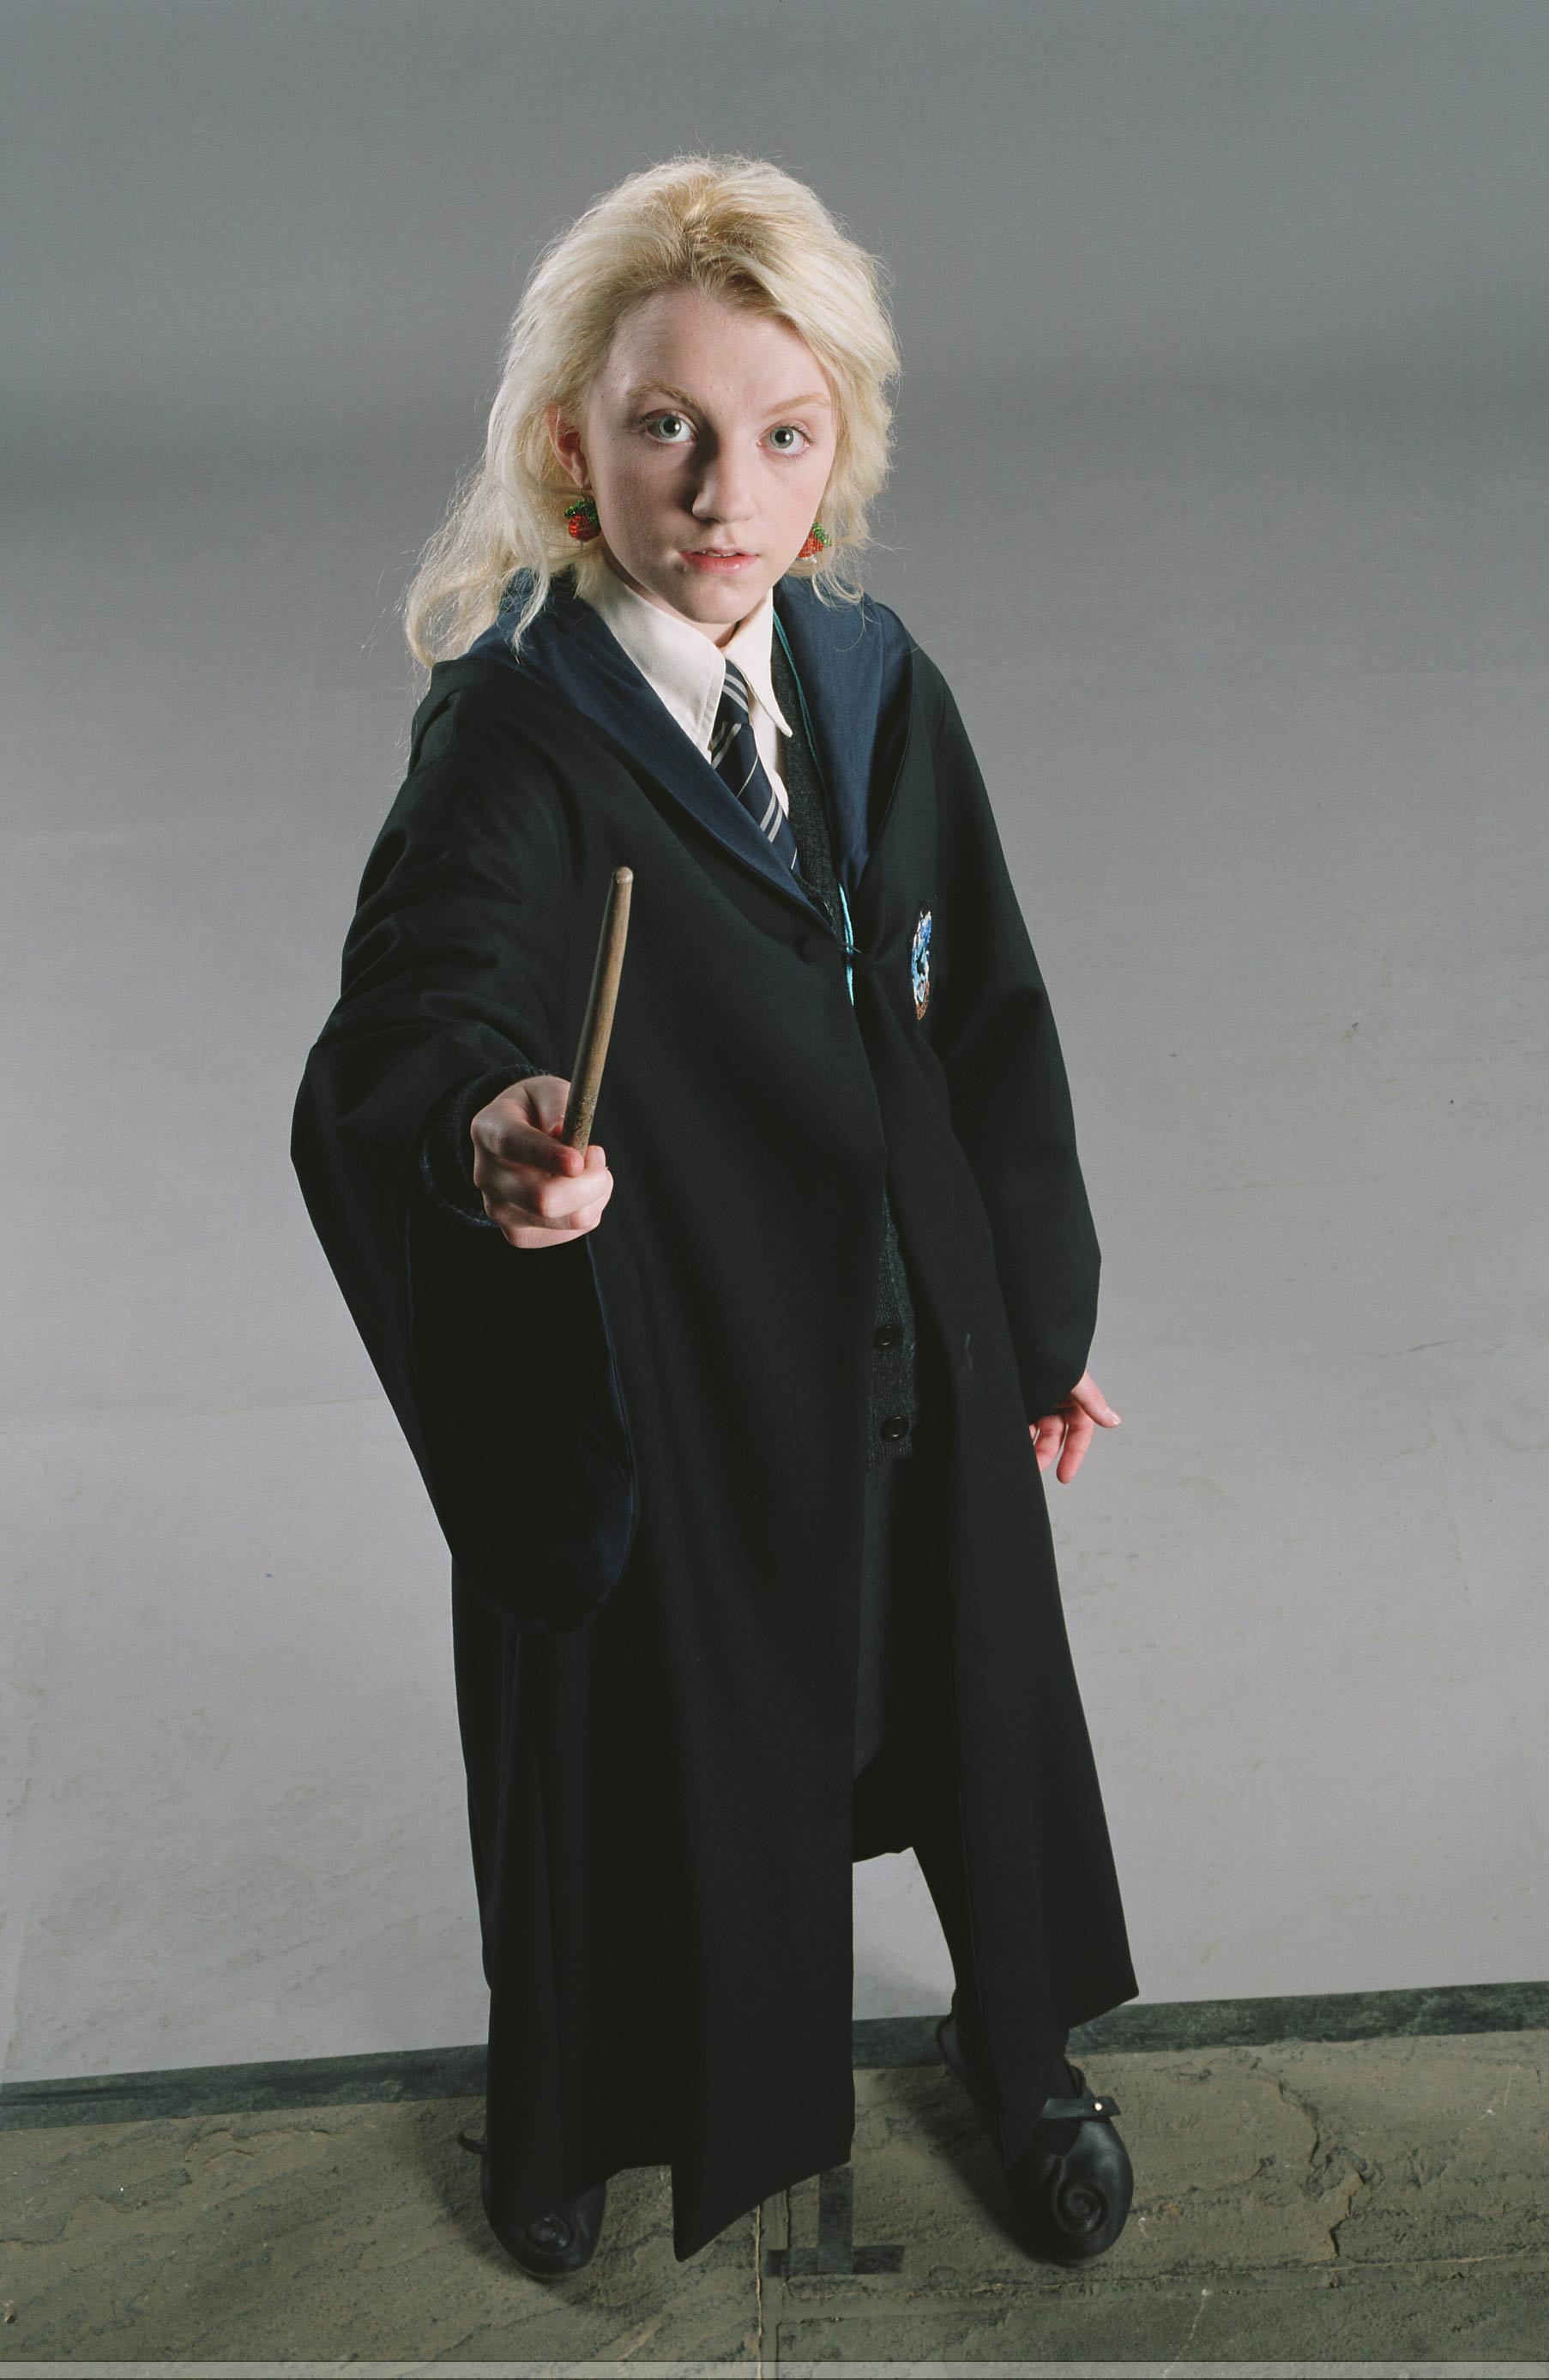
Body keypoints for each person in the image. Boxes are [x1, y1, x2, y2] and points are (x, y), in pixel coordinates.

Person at [292, 153, 1138, 2278]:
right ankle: (570, 2098)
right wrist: (490, 1131)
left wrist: (1035, 1323)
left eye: (779, 433)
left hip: (895, 1317)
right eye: (664, 425)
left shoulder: (866, 676)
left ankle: (1021, 2054)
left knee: (960, 1697)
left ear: (838, 449)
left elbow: (983, 1007)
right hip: (663, 1352)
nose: (720, 492)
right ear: (567, 443)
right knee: (620, 1753)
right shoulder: (520, 726)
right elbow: (416, 1010)